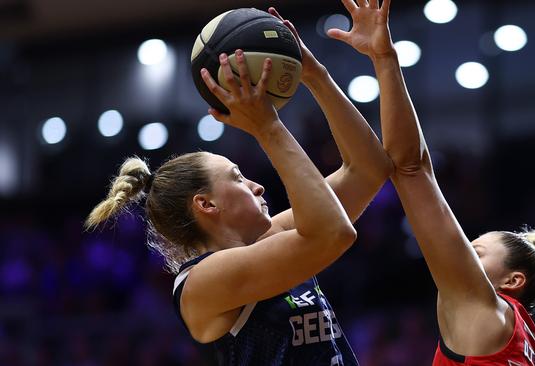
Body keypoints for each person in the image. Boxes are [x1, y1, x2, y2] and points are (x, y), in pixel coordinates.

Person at [85, 7, 393, 365]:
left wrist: (315, 76)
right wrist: (267, 127)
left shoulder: (271, 240)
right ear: (207, 205)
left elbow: (370, 169)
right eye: (237, 177)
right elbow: (334, 233)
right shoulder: (200, 284)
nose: (258, 186)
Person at [328, 0, 535, 364]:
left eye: (476, 252)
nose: (460, 250)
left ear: (512, 282)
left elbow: (411, 169)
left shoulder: (485, 308)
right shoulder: (529, 343)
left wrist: (384, 59)